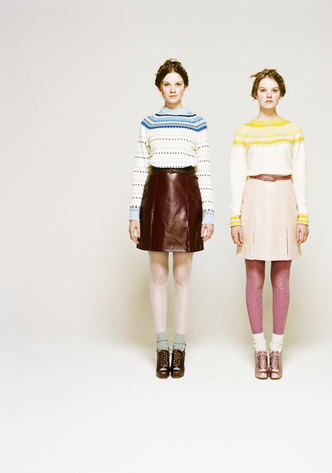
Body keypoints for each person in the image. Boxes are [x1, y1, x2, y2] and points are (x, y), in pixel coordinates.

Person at [129, 59, 214, 379]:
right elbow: (140, 167)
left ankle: (179, 346)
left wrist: (209, 213)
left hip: (187, 195)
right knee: (158, 274)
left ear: (185, 87)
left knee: (182, 275)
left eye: (178, 84)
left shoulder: (198, 123)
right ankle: (161, 346)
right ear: (159, 88)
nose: (173, 89)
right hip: (155, 195)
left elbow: (205, 168)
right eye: (167, 84)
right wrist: (134, 213)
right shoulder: (148, 123)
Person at [230, 68, 308, 380]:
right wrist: (235, 217)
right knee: (253, 279)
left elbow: (300, 175)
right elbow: (236, 177)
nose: (268, 94)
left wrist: (303, 215)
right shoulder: (244, 132)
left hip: (285, 199)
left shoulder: (293, 130)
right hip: (254, 199)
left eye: (274, 89)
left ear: (281, 94)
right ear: (255, 94)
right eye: (263, 89)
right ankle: (259, 348)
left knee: (281, 279)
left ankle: (277, 349)